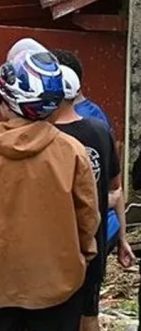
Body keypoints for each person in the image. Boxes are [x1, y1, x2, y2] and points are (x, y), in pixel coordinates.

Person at [0, 45, 100, 331]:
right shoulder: (72, 151)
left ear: (8, 101)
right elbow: (88, 219)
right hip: (57, 288)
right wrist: (80, 258)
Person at [53, 61, 134, 330]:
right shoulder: (98, 127)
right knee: (89, 312)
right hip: (95, 241)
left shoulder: (46, 136)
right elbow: (116, 189)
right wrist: (121, 236)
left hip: (56, 246)